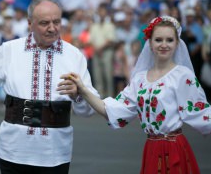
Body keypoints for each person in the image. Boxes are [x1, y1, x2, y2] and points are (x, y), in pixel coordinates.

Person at [0, 0, 98, 174]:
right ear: (30, 24)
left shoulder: (74, 55)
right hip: (13, 151)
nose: (52, 28)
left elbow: (89, 109)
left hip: (56, 153)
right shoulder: (10, 50)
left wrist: (78, 95)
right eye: (44, 23)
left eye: (56, 21)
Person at [61, 16, 211, 173]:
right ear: (150, 43)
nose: (164, 45)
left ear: (177, 43)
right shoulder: (140, 79)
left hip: (174, 149)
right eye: (158, 39)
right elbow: (112, 110)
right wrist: (83, 90)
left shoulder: (182, 76)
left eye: (170, 40)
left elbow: (202, 113)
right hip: (151, 149)